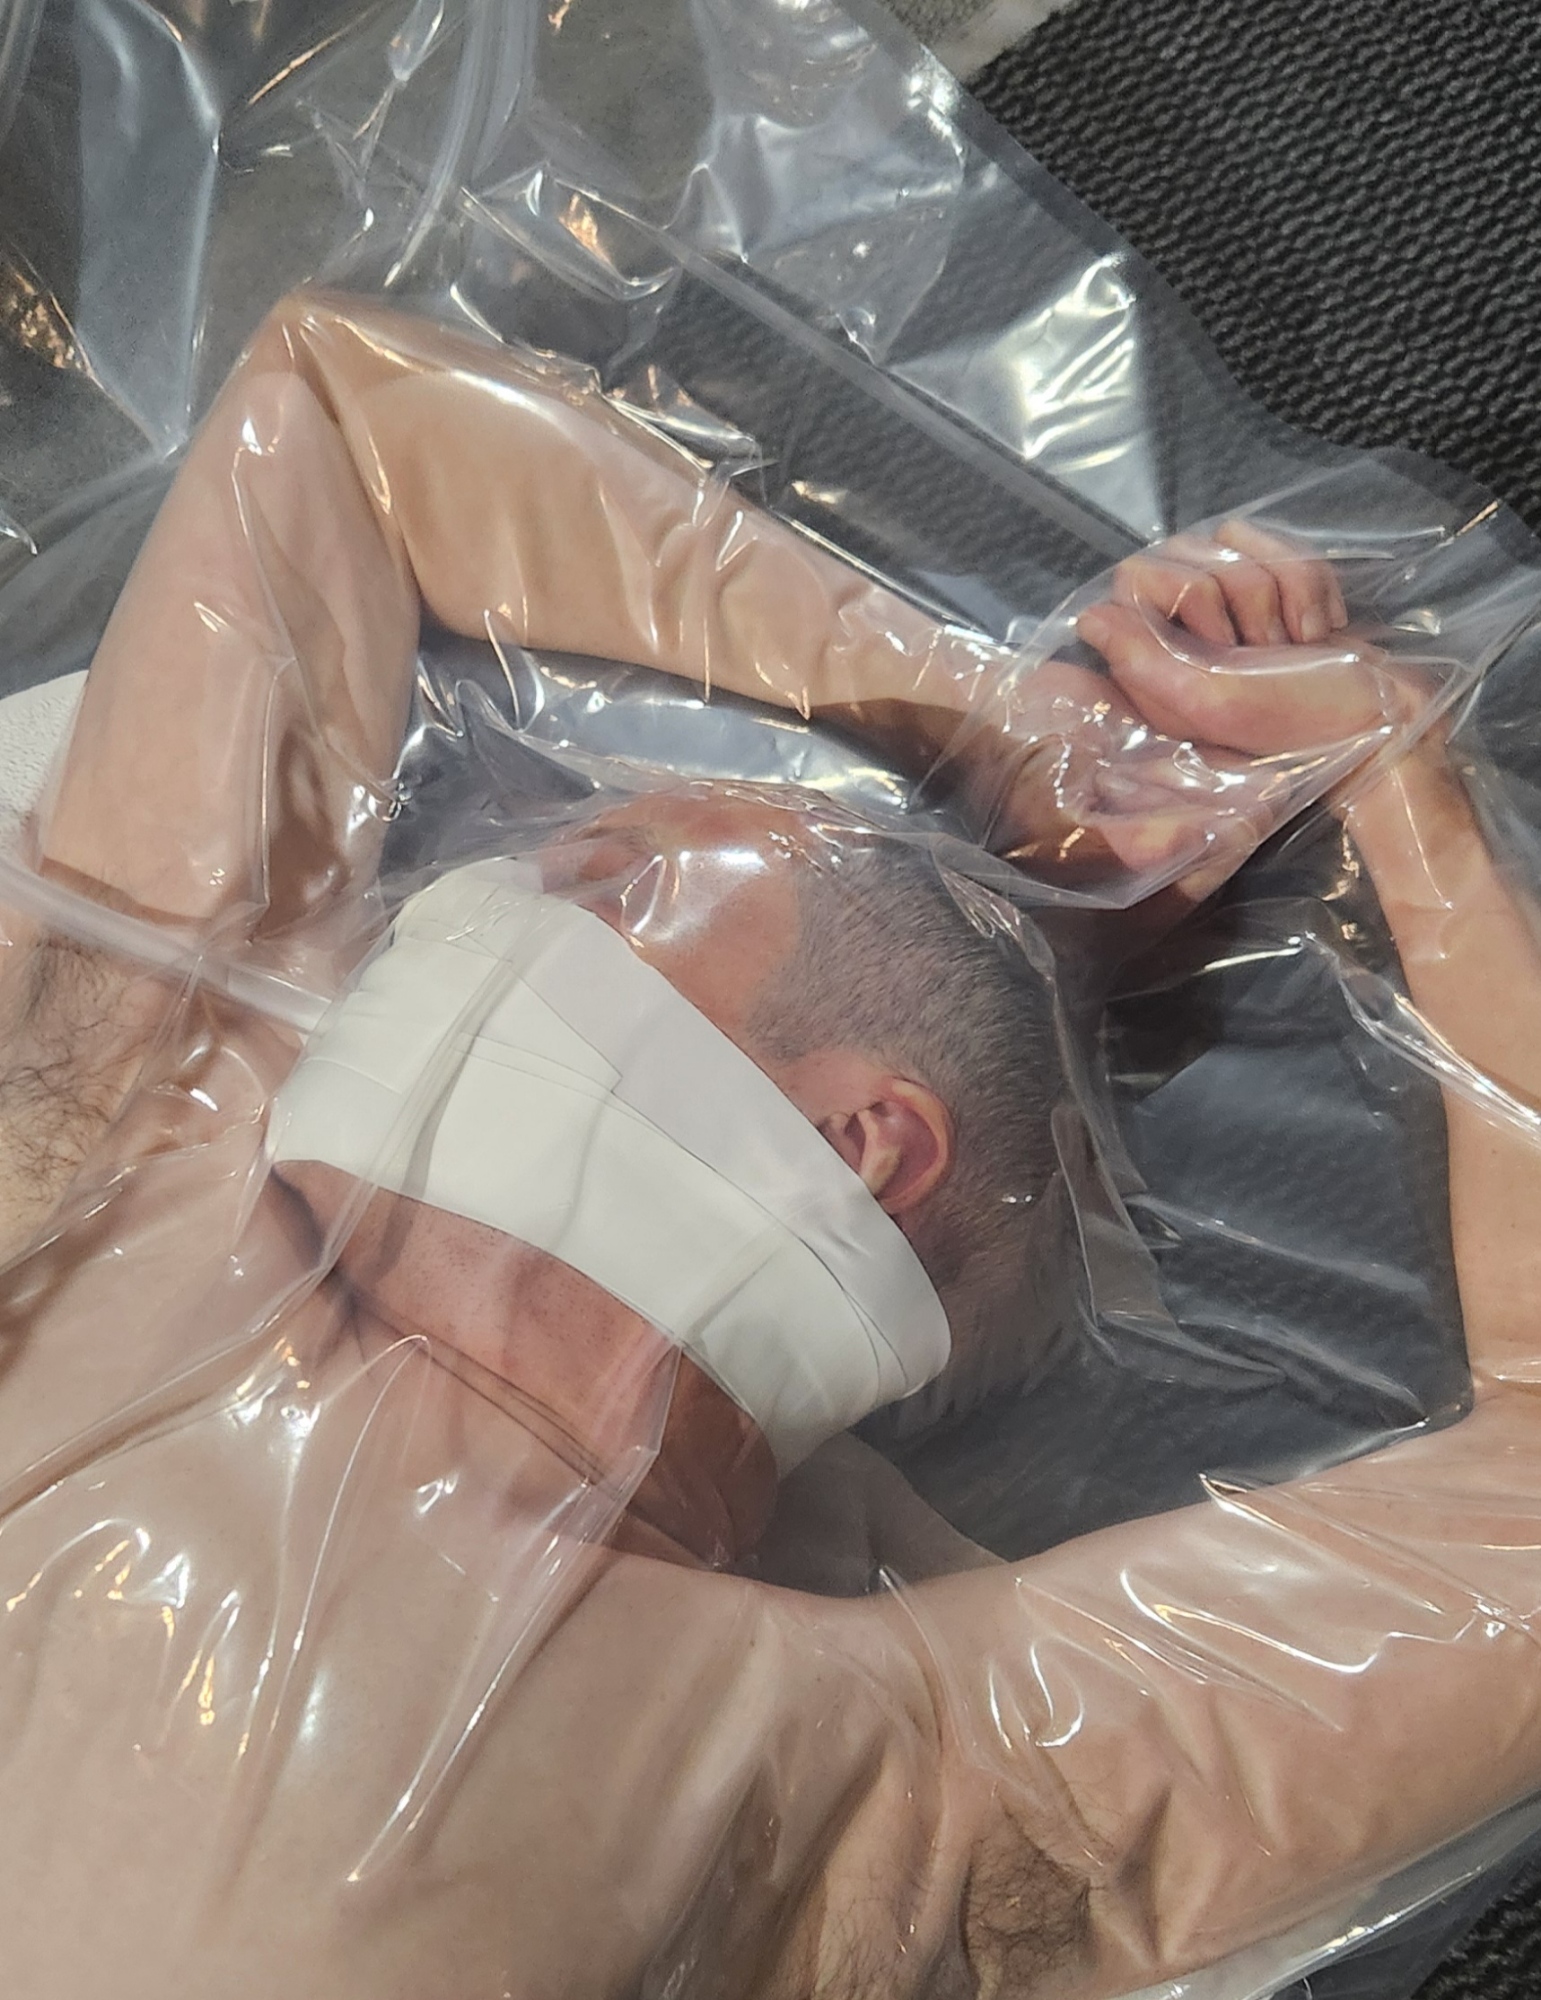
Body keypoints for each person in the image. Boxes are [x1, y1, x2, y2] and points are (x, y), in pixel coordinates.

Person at [0, 291, 1534, 1999]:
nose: (455, 894)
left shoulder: (857, 1793)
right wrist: (983, 712)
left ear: (850, 1146)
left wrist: (1404, 779)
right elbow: (341, 417)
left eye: (607, 884)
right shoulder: (105, 1124)